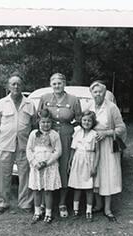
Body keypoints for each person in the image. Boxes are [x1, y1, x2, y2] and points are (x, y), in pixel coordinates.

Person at [0, 73, 36, 215]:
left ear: (23, 86)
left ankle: (25, 203)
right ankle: (1, 203)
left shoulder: (29, 103)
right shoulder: (2, 103)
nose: (16, 86)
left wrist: (33, 146)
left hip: (24, 145)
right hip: (5, 144)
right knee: (2, 174)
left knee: (25, 174)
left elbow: (34, 126)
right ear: (8, 86)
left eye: (19, 84)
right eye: (13, 84)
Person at [38, 73, 82, 218]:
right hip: (47, 136)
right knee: (47, 165)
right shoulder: (45, 98)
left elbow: (79, 119)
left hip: (65, 137)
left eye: (60, 83)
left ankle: (62, 203)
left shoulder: (74, 100)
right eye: (54, 83)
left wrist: (67, 127)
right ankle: (45, 201)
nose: (57, 86)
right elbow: (40, 117)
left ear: (64, 84)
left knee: (63, 168)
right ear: (51, 84)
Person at [88, 81, 126, 222]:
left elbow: (121, 128)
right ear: (91, 93)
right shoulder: (89, 106)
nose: (98, 94)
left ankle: (107, 208)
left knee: (108, 175)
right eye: (95, 92)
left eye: (100, 92)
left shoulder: (111, 108)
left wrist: (107, 133)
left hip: (108, 146)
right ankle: (98, 205)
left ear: (105, 93)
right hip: (93, 145)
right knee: (96, 174)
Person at [26, 109, 62, 224]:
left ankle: (48, 213)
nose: (45, 125)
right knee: (37, 190)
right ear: (38, 122)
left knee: (48, 190)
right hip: (36, 166)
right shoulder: (33, 134)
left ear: (51, 123)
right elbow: (29, 149)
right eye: (43, 122)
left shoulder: (54, 134)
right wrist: (35, 162)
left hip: (49, 166)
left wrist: (48, 162)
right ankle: (37, 212)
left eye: (48, 122)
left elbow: (58, 151)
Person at [67, 110, 99, 222]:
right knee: (77, 186)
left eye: (89, 120)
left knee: (89, 187)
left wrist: (94, 166)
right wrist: (70, 162)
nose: (86, 122)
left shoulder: (95, 135)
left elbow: (97, 151)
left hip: (89, 161)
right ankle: (75, 209)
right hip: (77, 160)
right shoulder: (77, 132)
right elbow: (73, 148)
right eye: (84, 120)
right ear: (81, 121)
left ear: (93, 122)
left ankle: (88, 210)